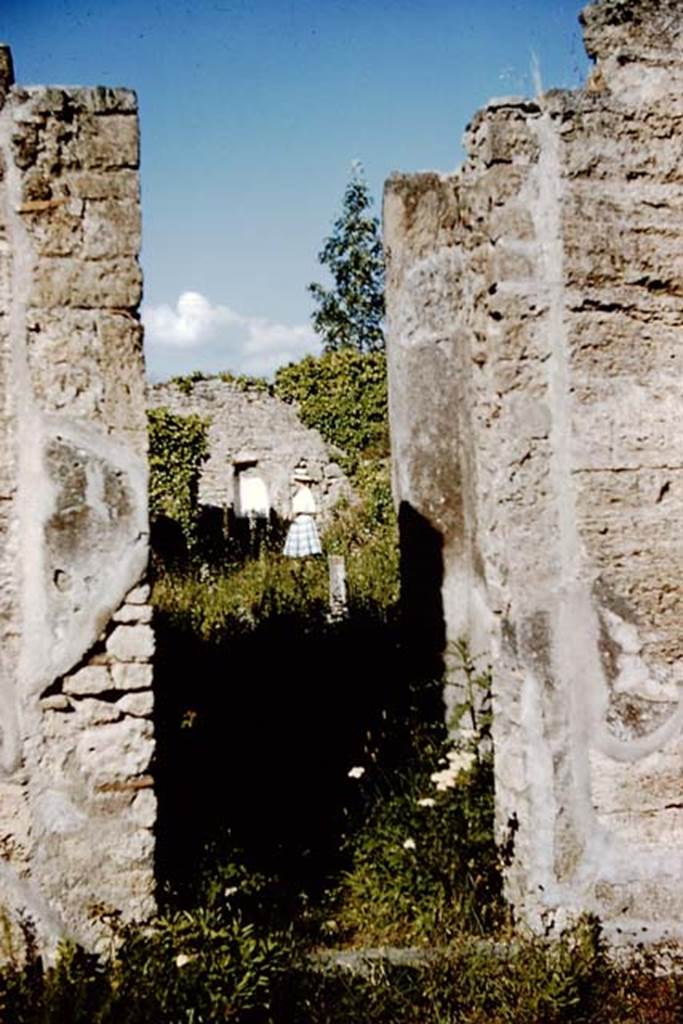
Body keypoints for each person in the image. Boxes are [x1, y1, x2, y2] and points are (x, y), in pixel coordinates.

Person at [283, 473, 322, 557]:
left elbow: (299, 509)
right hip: (302, 520)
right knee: (303, 548)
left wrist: (290, 517)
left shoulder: (304, 493)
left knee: (303, 549)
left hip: (302, 520)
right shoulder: (303, 492)